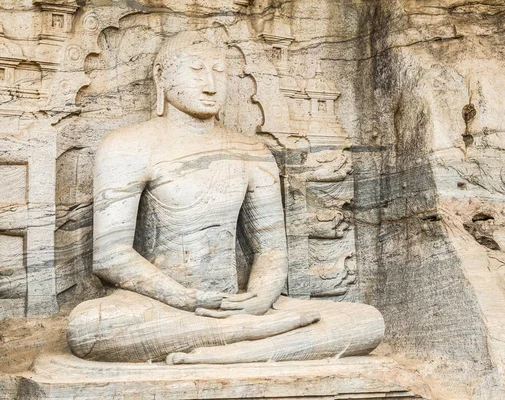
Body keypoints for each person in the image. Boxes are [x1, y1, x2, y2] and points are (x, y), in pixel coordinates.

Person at [66, 31, 384, 364]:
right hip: (156, 306)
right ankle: (242, 337)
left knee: (365, 321)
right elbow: (110, 256)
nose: (210, 84)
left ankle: (231, 345)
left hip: (236, 303)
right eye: (196, 70)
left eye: (219, 71)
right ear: (162, 76)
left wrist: (259, 298)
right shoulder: (128, 145)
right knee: (88, 327)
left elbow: (271, 249)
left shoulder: (251, 152)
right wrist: (185, 298)